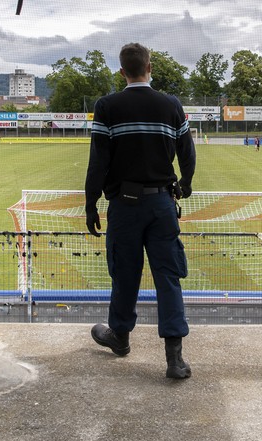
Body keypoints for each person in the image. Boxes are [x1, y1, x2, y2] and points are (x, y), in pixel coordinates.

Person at [84, 42, 196, 379]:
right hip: (163, 204)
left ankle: (120, 337)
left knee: (124, 274)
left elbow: (98, 161)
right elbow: (187, 153)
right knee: (168, 277)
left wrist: (91, 203)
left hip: (124, 206)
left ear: (122, 71)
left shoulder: (107, 106)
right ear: (150, 68)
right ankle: (174, 360)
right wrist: (185, 184)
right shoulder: (171, 105)